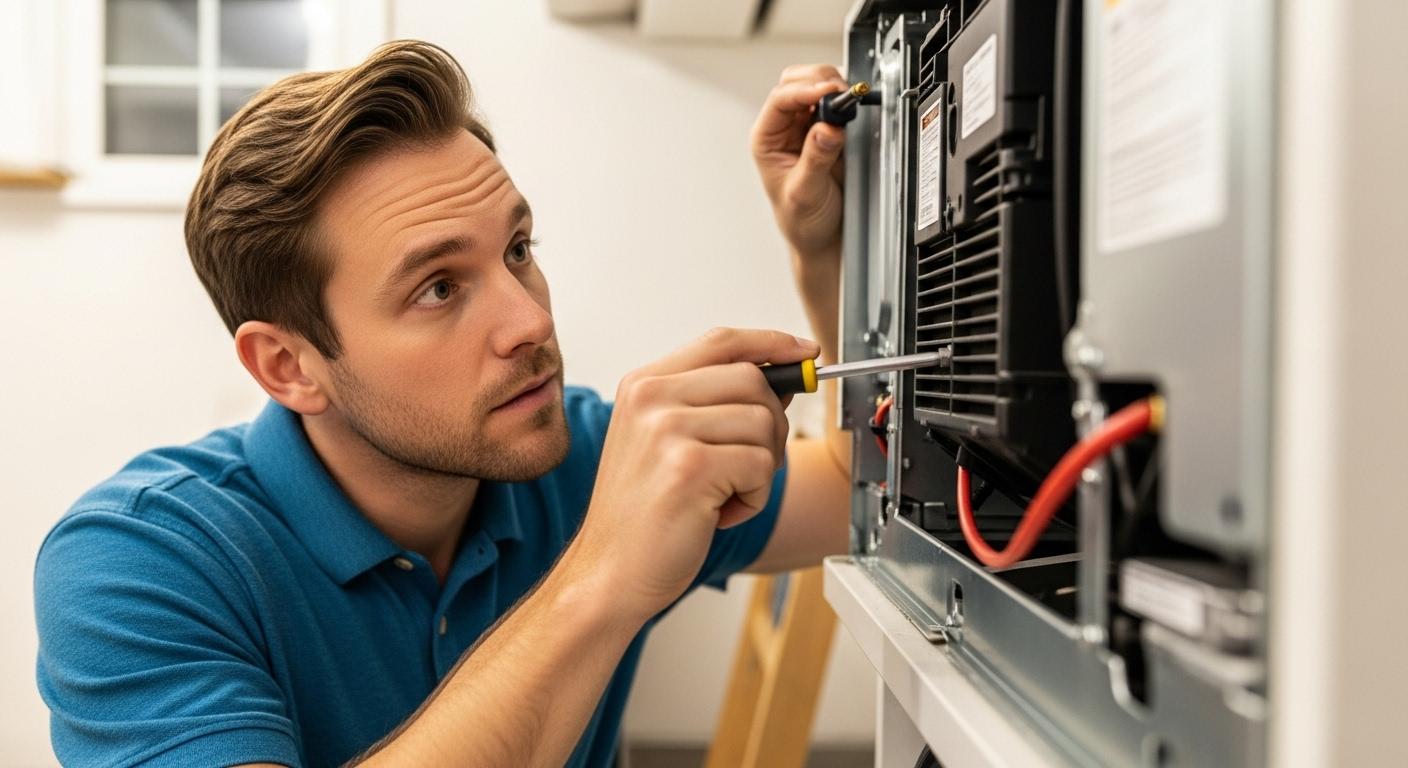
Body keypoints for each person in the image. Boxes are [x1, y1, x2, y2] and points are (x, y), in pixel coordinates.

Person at [34, 40, 854, 768]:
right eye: (438, 288)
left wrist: (825, 257)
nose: (531, 321)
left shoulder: (584, 455)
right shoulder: (137, 565)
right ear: (289, 366)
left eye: (519, 249)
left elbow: (857, 495)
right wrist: (602, 574)